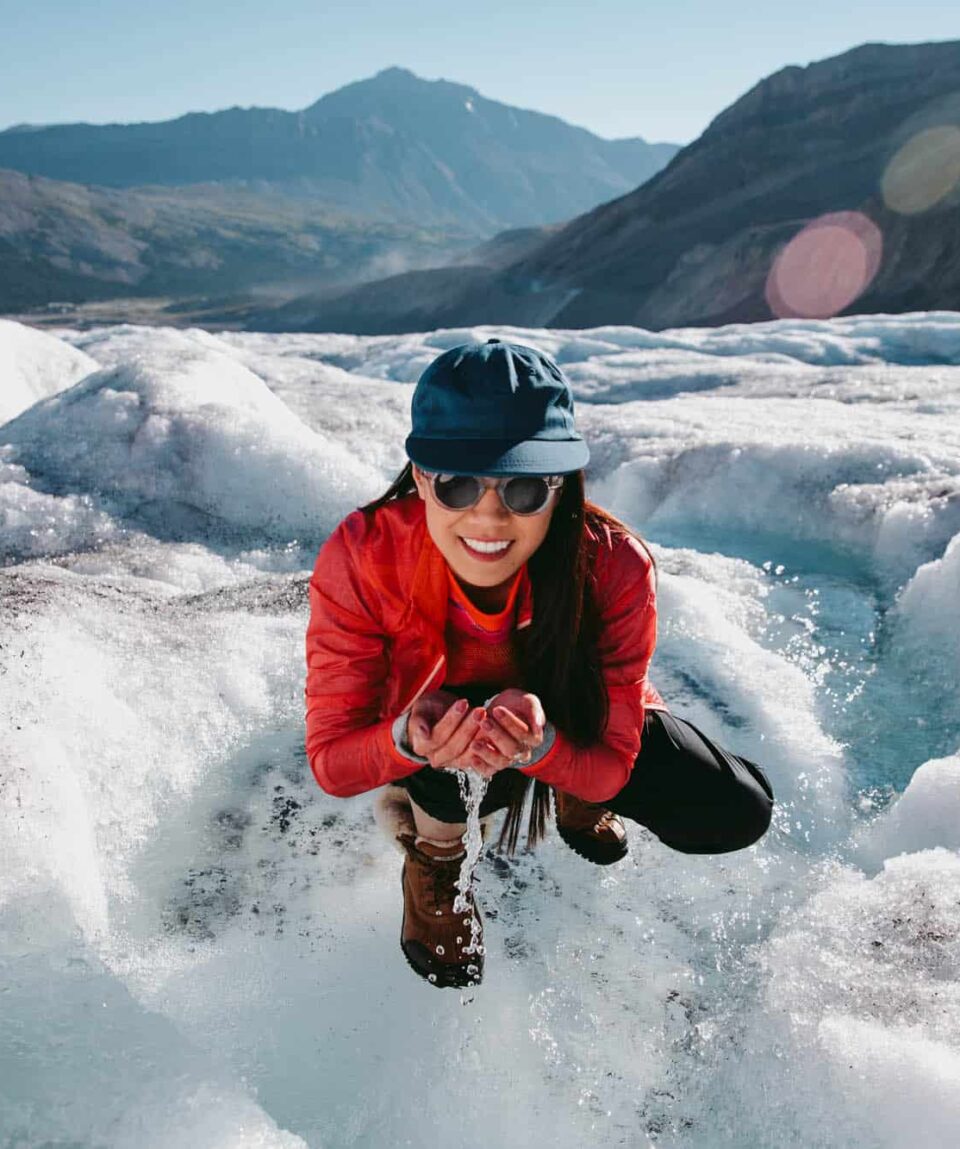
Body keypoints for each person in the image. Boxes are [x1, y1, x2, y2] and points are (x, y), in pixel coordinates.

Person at [305, 339, 774, 989]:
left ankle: (574, 798)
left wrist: (547, 748)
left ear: (561, 485)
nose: (490, 515)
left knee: (734, 807)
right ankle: (436, 858)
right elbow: (332, 758)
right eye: (459, 483)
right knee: (438, 720)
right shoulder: (364, 556)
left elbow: (613, 757)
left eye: (524, 488)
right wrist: (407, 737)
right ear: (419, 477)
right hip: (436, 731)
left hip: (568, 706)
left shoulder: (611, 563)